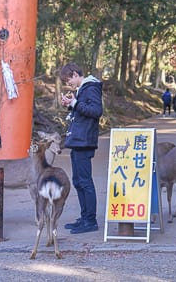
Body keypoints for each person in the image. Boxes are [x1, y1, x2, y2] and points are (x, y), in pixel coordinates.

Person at [59, 62, 103, 234]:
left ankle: (90, 220)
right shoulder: (83, 89)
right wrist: (71, 104)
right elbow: (83, 110)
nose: (68, 84)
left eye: (69, 80)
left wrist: (75, 103)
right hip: (78, 140)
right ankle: (85, 217)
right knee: (78, 181)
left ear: (76, 74)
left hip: (84, 140)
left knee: (85, 181)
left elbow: (96, 111)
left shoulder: (91, 87)